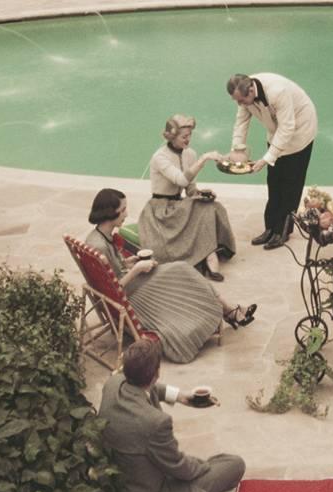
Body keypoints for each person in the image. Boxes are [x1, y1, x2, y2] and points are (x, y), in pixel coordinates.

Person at [88, 189, 255, 363]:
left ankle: (229, 310)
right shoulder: (99, 247)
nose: (126, 213)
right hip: (132, 295)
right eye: (122, 210)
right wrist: (137, 269)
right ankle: (229, 311)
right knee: (182, 270)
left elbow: (113, 271)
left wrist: (131, 262)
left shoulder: (98, 237)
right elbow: (114, 289)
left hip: (133, 285)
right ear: (109, 212)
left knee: (181, 272)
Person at [97, 337, 245, 492]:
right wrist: (201, 467)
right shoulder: (156, 423)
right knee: (233, 464)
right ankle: (207, 469)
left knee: (204, 463)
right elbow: (179, 467)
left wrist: (181, 397)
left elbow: (149, 389)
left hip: (125, 485)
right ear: (156, 374)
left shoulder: (113, 385)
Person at [140, 114, 238, 279]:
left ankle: (209, 252)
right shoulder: (160, 157)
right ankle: (208, 255)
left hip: (179, 205)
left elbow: (190, 189)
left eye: (190, 135)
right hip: (161, 210)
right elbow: (181, 179)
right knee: (203, 211)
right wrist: (204, 159)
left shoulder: (189, 154)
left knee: (213, 207)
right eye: (184, 136)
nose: (188, 140)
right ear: (172, 136)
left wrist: (201, 194)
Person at [227, 71, 318, 247]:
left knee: (291, 184)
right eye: (236, 101)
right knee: (274, 181)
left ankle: (282, 232)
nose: (239, 104)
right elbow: (241, 123)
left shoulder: (278, 91)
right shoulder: (243, 94)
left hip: (299, 130)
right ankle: (270, 228)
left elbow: (287, 127)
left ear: (251, 92)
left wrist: (267, 158)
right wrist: (237, 150)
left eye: (241, 100)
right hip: (277, 131)